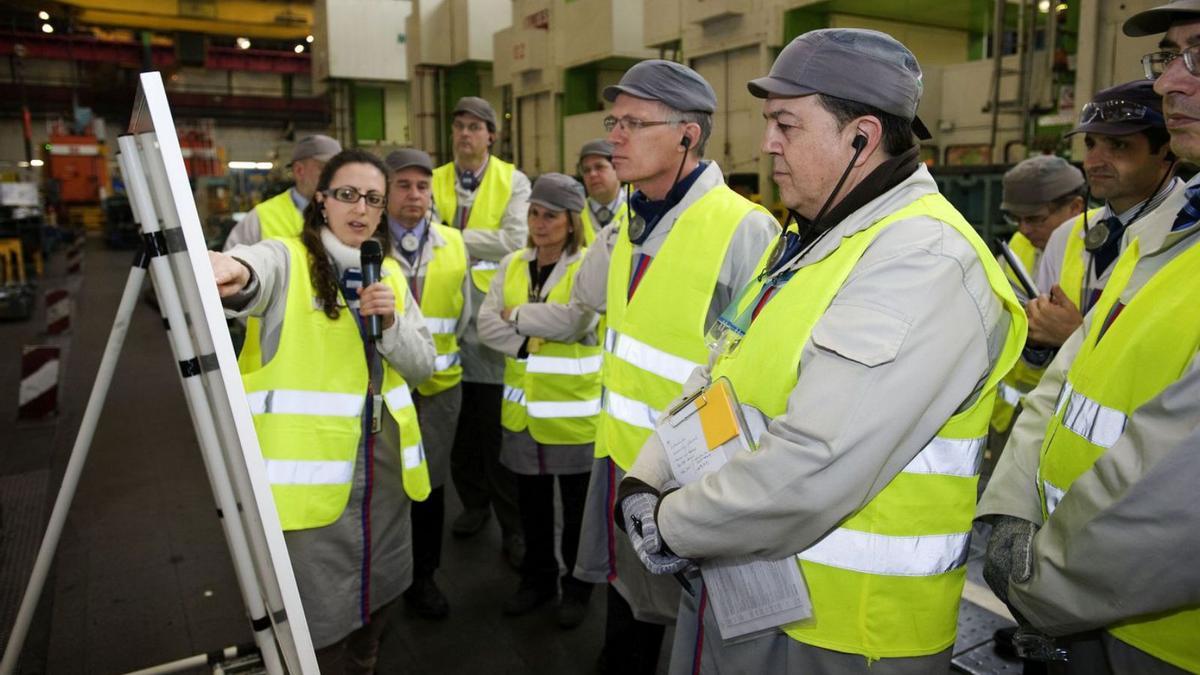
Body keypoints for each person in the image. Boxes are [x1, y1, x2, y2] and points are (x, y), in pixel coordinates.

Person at [615, 29, 1026, 674]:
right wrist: (649, 473)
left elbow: (813, 464)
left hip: (842, 634)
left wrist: (671, 523)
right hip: (752, 591)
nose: (767, 144)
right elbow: (718, 371)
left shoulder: (923, 260)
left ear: (860, 138)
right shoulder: (813, 238)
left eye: (786, 124)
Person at [509, 60, 779, 672]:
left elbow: (753, 374)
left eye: (634, 123)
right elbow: (591, 316)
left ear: (687, 134)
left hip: (688, 477)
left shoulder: (744, 227)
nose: (615, 138)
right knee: (628, 612)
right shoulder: (630, 222)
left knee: (687, 628)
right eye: (614, 121)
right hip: (623, 456)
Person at [977, 3, 1200, 672]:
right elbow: (1064, 381)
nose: (1169, 83)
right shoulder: (1165, 236)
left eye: (1199, 55)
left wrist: (1040, 585)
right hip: (1083, 606)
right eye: (1169, 56)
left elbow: (1177, 494)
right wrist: (1013, 510)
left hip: (1161, 635)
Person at [209, 149, 436, 673]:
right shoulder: (286, 258)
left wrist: (394, 325)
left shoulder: (389, 275)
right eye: (348, 194)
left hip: (385, 476)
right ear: (322, 201)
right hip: (311, 485)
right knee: (319, 616)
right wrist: (233, 268)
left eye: (373, 199)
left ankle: (369, 654)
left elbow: (425, 366)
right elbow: (253, 271)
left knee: (382, 593)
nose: (360, 209)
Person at [477, 173, 600, 628]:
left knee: (575, 514)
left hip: (572, 416)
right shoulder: (511, 264)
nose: (539, 223)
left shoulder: (587, 265)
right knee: (531, 509)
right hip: (522, 415)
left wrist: (519, 317)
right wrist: (530, 340)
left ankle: (578, 588)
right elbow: (485, 325)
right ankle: (538, 581)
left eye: (550, 215)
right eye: (533, 213)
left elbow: (575, 321)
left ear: (571, 222)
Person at [431, 96, 528, 563]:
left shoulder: (513, 181)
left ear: (492, 134)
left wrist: (447, 234)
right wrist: (470, 243)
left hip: (492, 318)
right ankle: (473, 505)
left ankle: (513, 525)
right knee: (460, 427)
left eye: (475, 127)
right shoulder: (432, 181)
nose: (466, 134)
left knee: (496, 429)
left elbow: (516, 240)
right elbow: (416, 230)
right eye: (460, 126)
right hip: (443, 315)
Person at [383, 148, 471, 620]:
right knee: (382, 487)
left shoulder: (455, 243)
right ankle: (384, 578)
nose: (414, 195)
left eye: (422, 186)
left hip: (439, 390)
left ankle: (423, 577)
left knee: (430, 488)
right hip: (385, 391)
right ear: (386, 190)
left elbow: (465, 313)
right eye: (403, 185)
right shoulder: (366, 244)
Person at [989, 157, 1085, 436]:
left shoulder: (1094, 256)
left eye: (1035, 218)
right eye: (1016, 219)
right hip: (1008, 414)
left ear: (1076, 207)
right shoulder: (1018, 247)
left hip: (1061, 416)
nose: (1024, 229)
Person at [223, 134, 342, 249]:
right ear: (299, 170)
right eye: (326, 169)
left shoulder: (352, 212)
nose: (336, 177)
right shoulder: (261, 219)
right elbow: (229, 265)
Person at [576, 139, 628, 243]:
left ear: (617, 168)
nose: (592, 174)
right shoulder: (574, 215)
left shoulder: (636, 210)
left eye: (599, 167)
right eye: (586, 170)